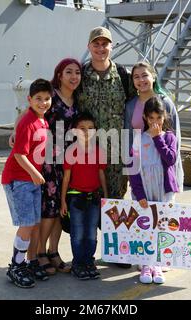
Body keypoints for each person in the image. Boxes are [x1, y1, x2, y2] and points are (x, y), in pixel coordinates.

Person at [79, 26, 134, 268]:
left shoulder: (123, 75)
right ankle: (86, 255)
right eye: (96, 44)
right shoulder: (79, 75)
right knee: (89, 200)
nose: (101, 48)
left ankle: (117, 251)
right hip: (87, 151)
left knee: (116, 199)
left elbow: (146, 97)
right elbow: (55, 99)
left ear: (112, 46)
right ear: (89, 46)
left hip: (116, 150)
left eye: (105, 44)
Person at [2, 79, 53, 288]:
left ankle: (29, 262)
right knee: (26, 225)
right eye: (38, 99)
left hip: (31, 179)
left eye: (47, 99)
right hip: (19, 180)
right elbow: (19, 155)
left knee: (33, 223)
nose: (43, 103)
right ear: (29, 99)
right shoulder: (28, 122)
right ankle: (15, 265)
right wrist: (34, 173)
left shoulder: (42, 121)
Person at [128, 96, 180, 284]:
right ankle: (145, 263)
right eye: (151, 118)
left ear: (164, 117)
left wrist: (158, 138)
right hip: (145, 188)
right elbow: (132, 170)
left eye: (159, 118)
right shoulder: (138, 140)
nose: (155, 122)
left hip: (162, 189)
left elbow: (170, 159)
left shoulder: (169, 137)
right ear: (145, 117)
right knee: (145, 225)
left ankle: (157, 263)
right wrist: (139, 194)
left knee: (161, 225)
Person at [36, 58, 81, 275]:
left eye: (77, 73)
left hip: (68, 161)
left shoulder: (79, 98)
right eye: (68, 72)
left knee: (61, 210)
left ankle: (54, 252)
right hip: (48, 160)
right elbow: (30, 112)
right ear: (59, 75)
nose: (74, 77)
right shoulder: (51, 95)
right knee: (49, 210)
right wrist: (16, 131)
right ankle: (39, 253)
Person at [60, 112, 108, 280]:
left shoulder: (99, 151)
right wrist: (62, 202)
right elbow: (66, 178)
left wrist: (106, 197)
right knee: (78, 233)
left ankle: (89, 261)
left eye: (90, 128)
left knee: (91, 234)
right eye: (82, 129)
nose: (86, 132)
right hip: (76, 199)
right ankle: (78, 264)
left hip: (94, 199)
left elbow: (101, 174)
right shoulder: (71, 151)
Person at [124, 61, 184, 193]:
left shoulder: (165, 102)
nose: (141, 80)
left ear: (154, 77)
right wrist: (131, 169)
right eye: (136, 77)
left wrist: (174, 171)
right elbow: (128, 138)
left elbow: (175, 136)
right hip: (142, 170)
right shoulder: (130, 106)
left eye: (145, 75)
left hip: (163, 168)